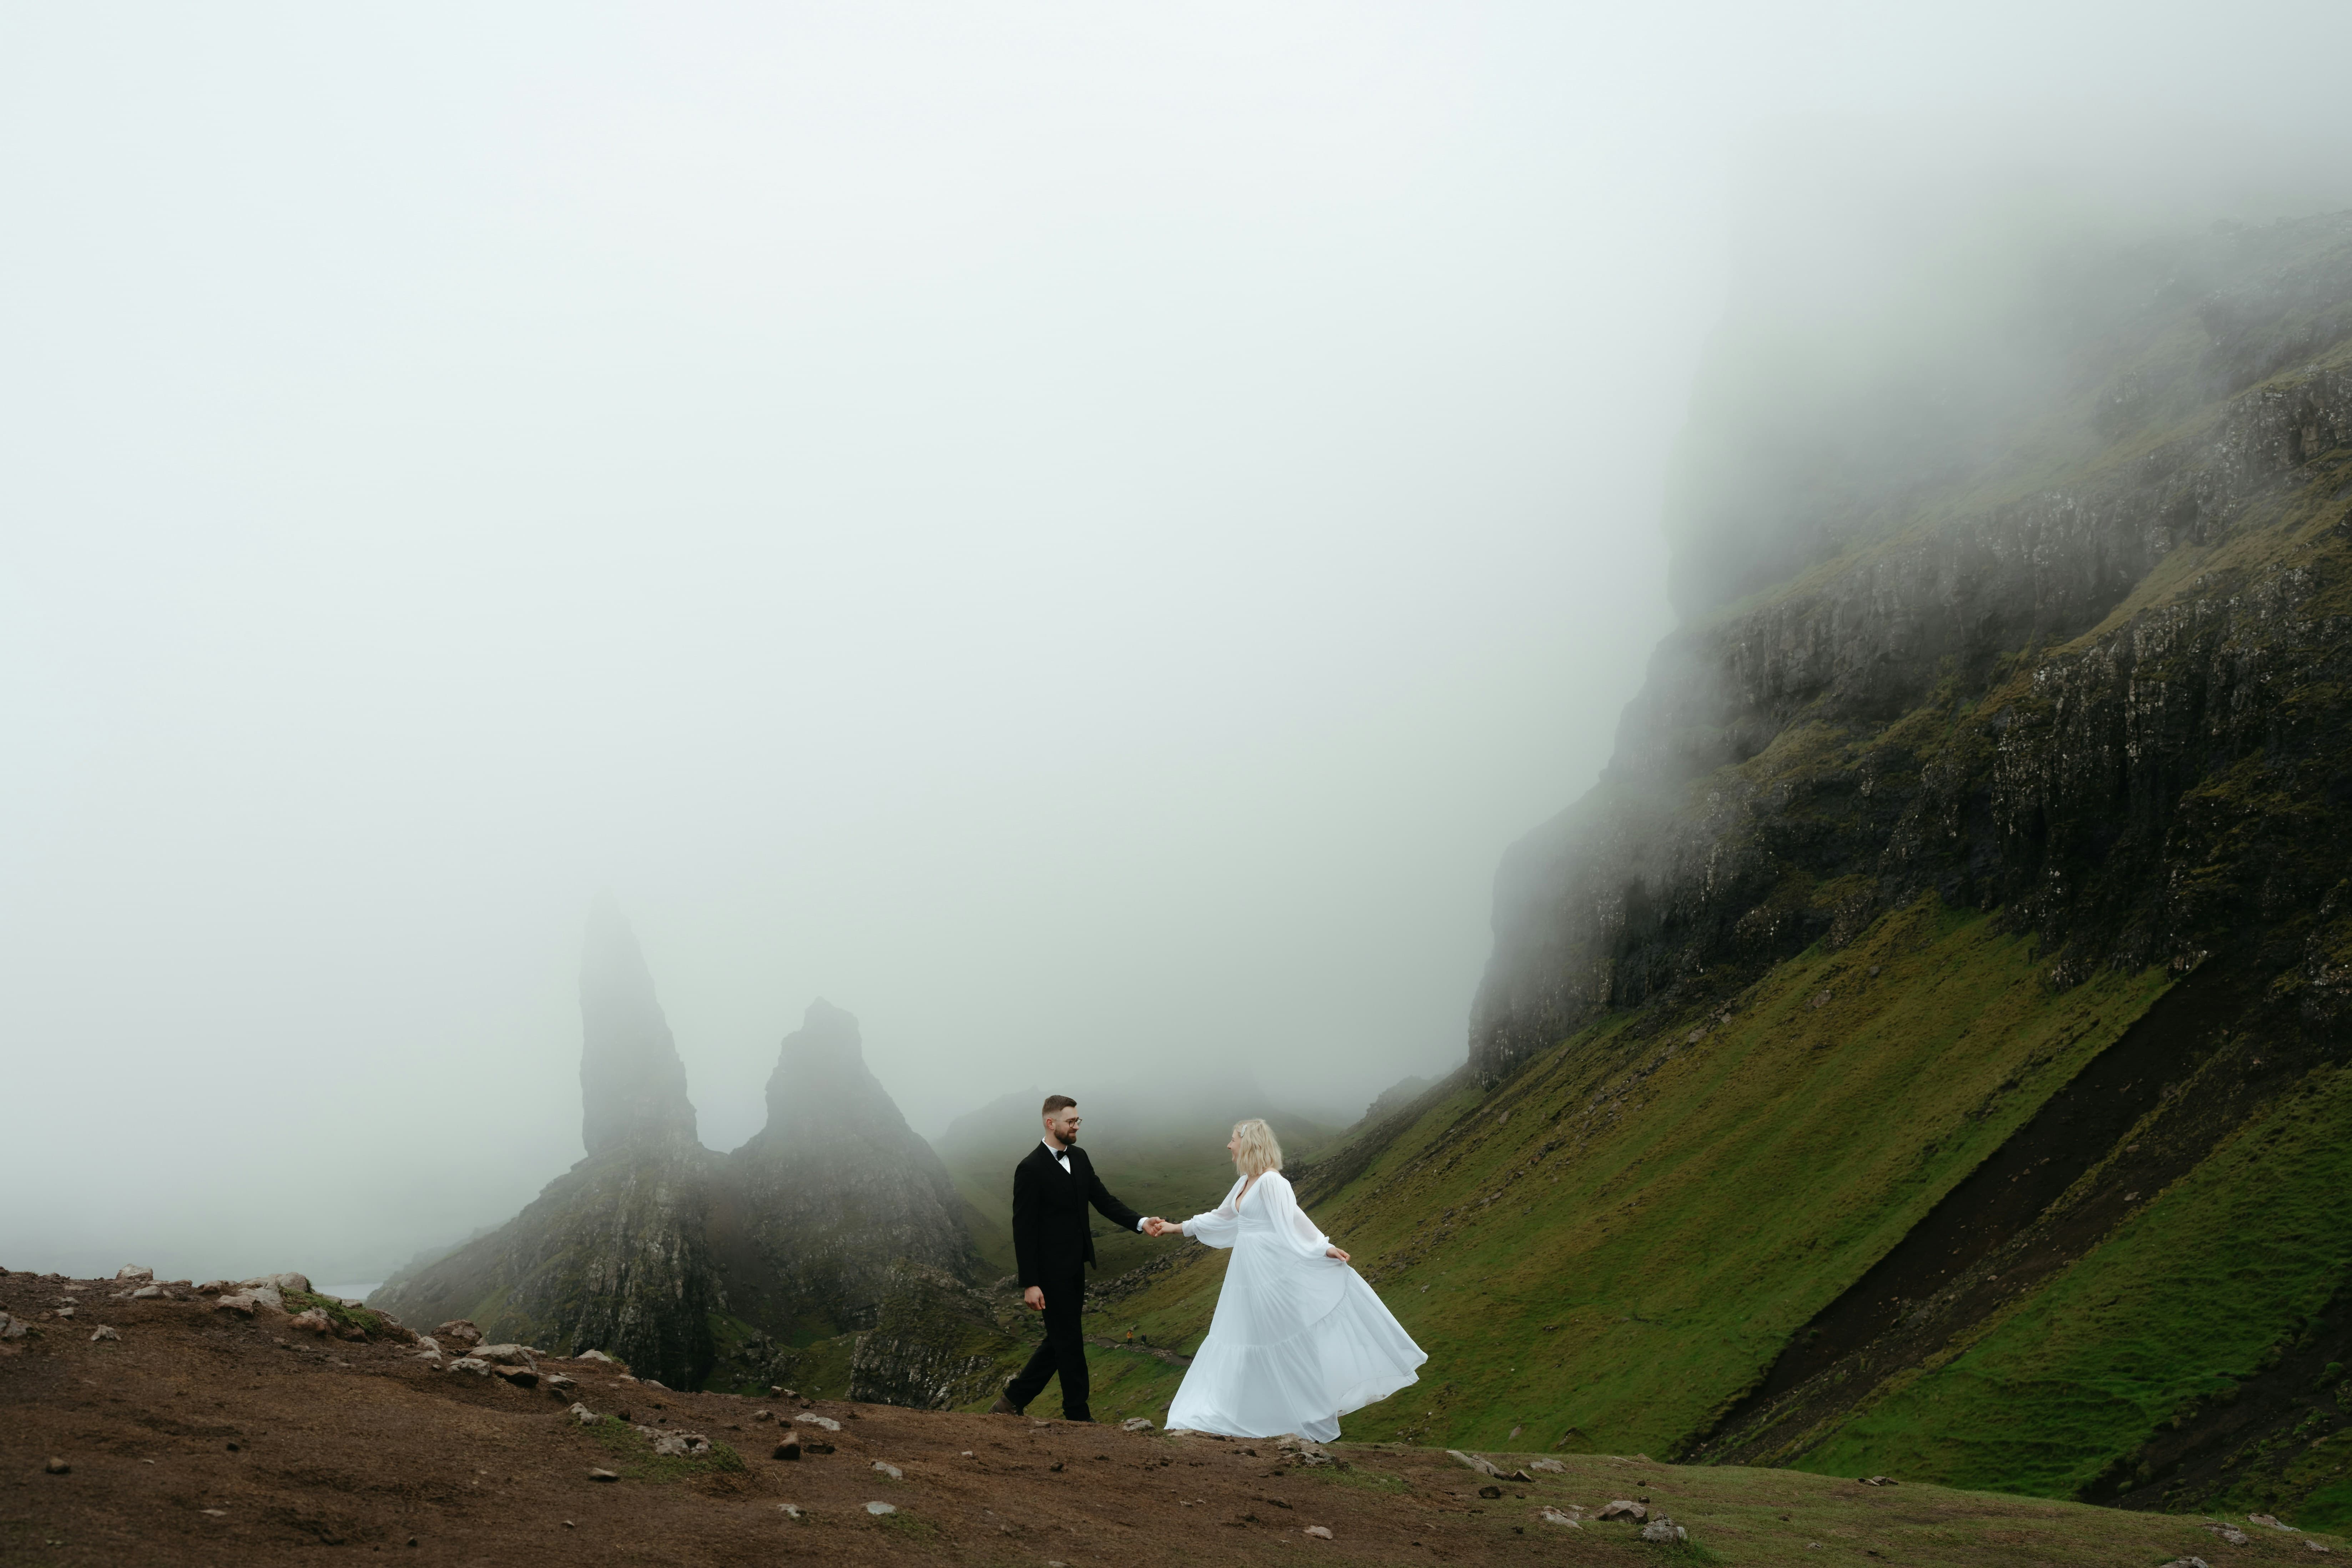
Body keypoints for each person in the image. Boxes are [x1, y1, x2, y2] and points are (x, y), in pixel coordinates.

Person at [1154, 1118, 1424, 1441]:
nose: (1229, 1145)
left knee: (1276, 1334)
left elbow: (1295, 1218)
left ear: (1249, 1143)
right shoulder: (1245, 1182)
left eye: (1233, 1139)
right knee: (1241, 1333)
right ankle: (1240, 1411)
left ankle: (1308, 1414)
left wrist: (1322, 1247)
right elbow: (1221, 1217)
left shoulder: (1272, 1182)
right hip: (1246, 1272)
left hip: (1271, 1271)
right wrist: (1176, 1228)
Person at [994, 1094, 1166, 1422]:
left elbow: (1104, 1200)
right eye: (1071, 1121)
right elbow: (1024, 1229)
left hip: (1076, 1267)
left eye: (1078, 1121)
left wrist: (1141, 1222)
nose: (1076, 1126)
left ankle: (1012, 1400)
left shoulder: (1080, 1157)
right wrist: (1030, 1282)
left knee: (1061, 1337)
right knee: (1069, 1339)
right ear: (1051, 1123)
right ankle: (1077, 1413)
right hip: (1049, 1272)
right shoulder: (1030, 1168)